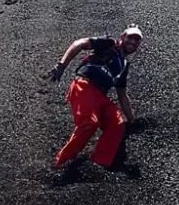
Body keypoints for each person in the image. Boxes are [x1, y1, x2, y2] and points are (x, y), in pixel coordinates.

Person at [46, 26, 143, 170]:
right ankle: (61, 164)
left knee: (117, 124)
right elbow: (79, 43)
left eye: (137, 40)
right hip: (84, 86)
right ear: (122, 37)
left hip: (101, 96)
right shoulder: (109, 44)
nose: (133, 42)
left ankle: (98, 164)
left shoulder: (124, 65)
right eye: (130, 37)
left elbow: (122, 95)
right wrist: (61, 65)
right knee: (89, 123)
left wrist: (132, 120)